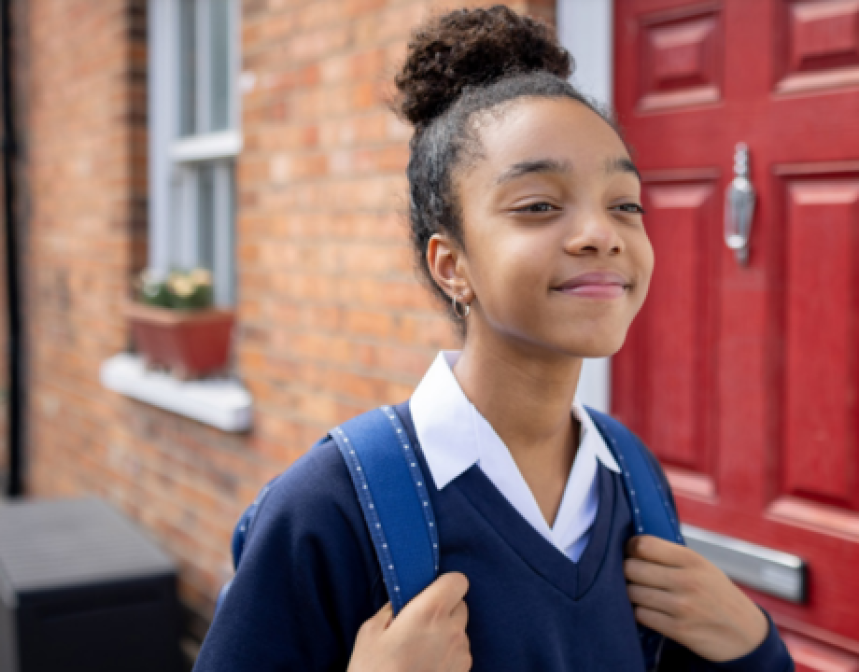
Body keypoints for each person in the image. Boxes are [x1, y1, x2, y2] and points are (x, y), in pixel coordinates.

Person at [194, 6, 794, 671]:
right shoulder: (326, 509)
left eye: (624, 203)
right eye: (538, 205)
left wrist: (751, 649)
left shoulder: (633, 479)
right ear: (451, 265)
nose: (602, 233)